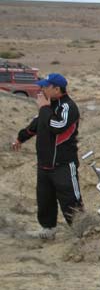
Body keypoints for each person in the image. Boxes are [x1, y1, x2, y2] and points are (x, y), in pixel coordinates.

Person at [11, 73, 83, 239]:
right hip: (44, 164)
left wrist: (43, 108)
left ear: (57, 89)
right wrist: (20, 137)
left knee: (70, 200)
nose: (41, 89)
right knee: (45, 200)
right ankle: (48, 229)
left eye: (45, 86)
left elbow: (57, 125)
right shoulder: (48, 106)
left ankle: (81, 232)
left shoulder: (68, 107)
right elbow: (36, 125)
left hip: (63, 164)